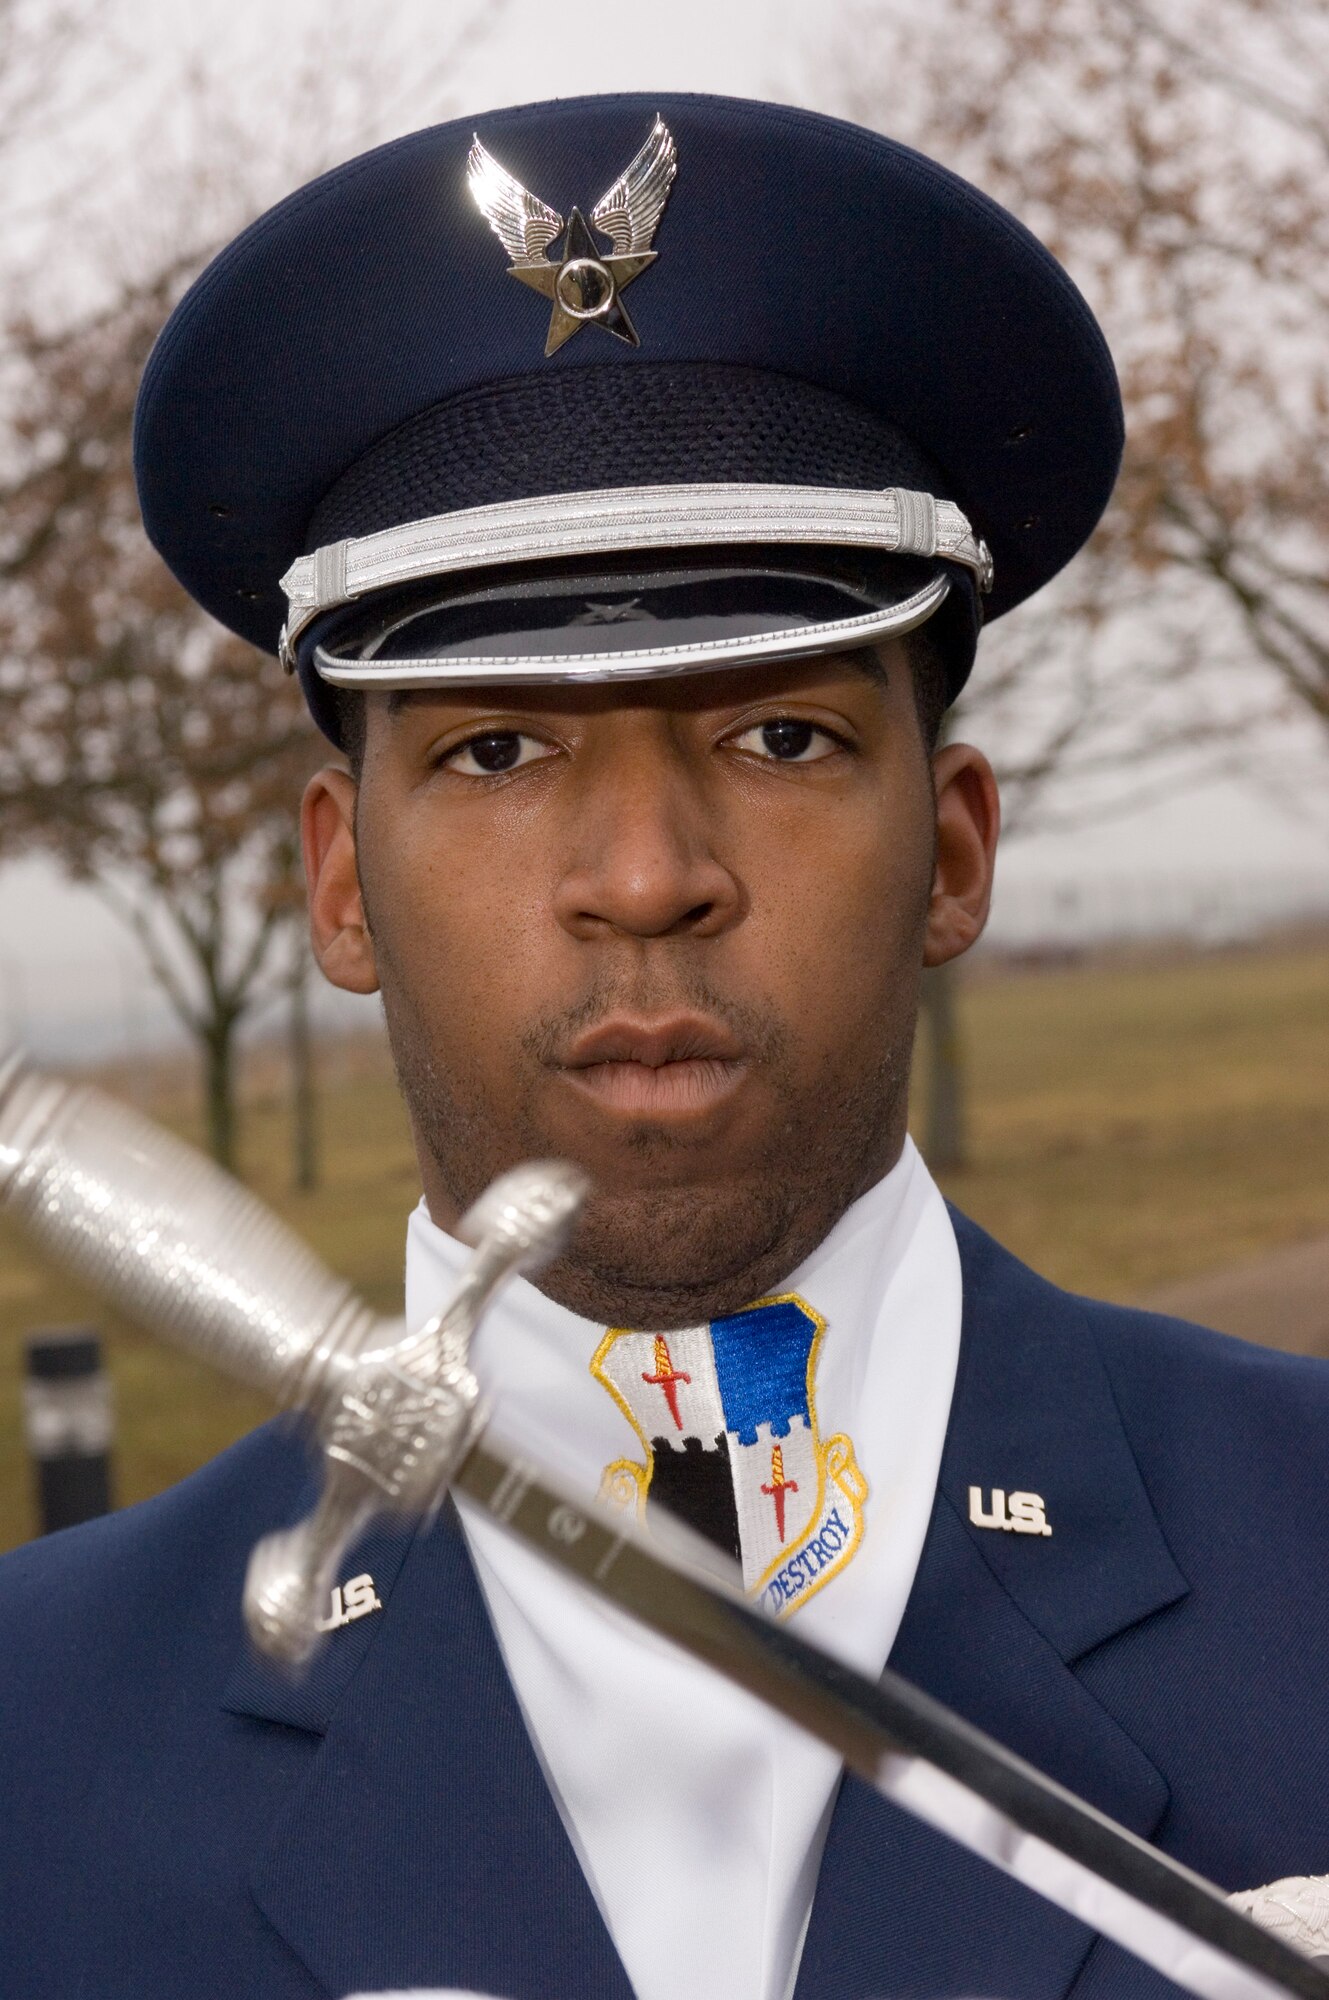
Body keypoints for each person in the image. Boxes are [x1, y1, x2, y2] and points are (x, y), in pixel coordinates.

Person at [1, 91, 1327, 2000]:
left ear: (951, 853)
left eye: (778, 736)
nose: (643, 876)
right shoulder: (36, 1743)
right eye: (496, 748)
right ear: (340, 886)